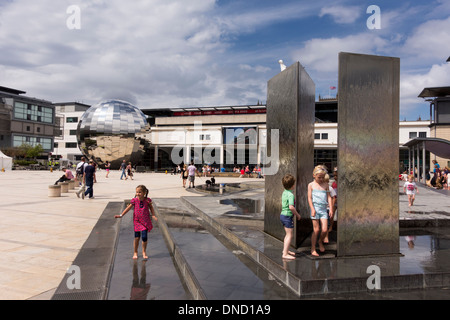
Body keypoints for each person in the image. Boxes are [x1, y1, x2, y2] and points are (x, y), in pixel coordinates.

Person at [115, 185, 158, 260]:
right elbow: (128, 208)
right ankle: (135, 252)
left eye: (140, 192)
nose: (138, 194)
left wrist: (153, 215)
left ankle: (144, 251)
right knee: (137, 237)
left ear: (144, 193)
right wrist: (121, 215)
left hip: (145, 221)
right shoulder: (134, 200)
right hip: (137, 221)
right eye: (137, 192)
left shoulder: (147, 200)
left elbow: (151, 207)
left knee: (144, 237)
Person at [308, 166, 333, 257]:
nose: (321, 179)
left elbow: (329, 197)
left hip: (323, 209)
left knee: (325, 229)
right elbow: (309, 198)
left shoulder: (326, 185)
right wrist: (312, 209)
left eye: (322, 177)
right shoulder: (311, 185)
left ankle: (320, 241)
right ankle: (313, 248)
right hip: (315, 208)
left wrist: (330, 208)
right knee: (316, 229)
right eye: (319, 177)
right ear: (314, 176)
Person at [280, 174, 301, 260]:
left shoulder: (284, 192)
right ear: (293, 185)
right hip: (288, 216)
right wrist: (298, 215)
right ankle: (285, 254)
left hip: (282, 215)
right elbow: (291, 207)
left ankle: (286, 250)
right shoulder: (290, 195)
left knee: (287, 234)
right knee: (289, 235)